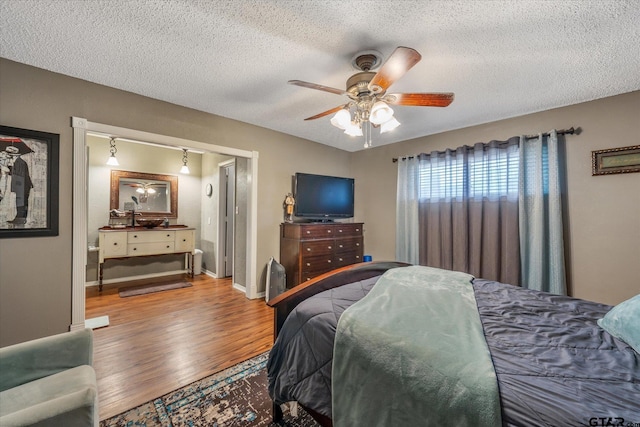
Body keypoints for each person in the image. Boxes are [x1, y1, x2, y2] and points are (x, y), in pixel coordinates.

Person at [5, 145, 33, 225]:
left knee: (22, 203)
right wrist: (10, 169)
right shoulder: (17, 162)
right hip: (21, 186)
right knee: (20, 202)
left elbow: (19, 176)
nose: (8, 156)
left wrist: (10, 170)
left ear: (14, 155)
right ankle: (19, 218)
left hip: (23, 186)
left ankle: (21, 219)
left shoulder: (19, 162)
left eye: (9, 155)